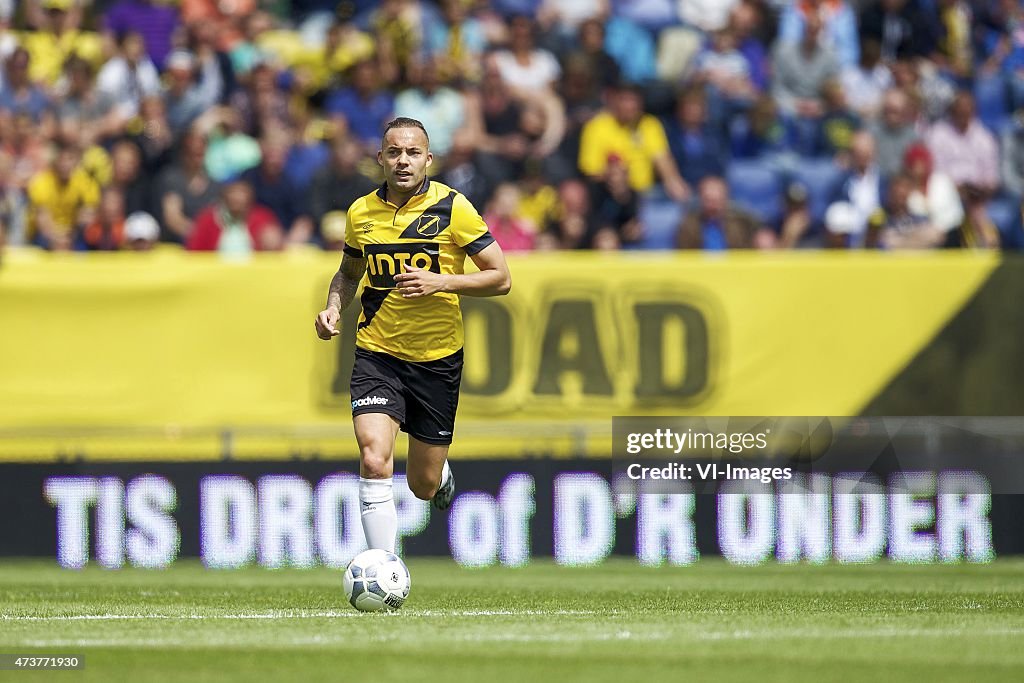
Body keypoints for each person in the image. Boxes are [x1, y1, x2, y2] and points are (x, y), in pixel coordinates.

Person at [313, 117, 511, 553]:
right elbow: (348, 274)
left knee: (422, 485)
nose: (403, 161)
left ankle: (438, 474)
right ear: (380, 158)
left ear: (428, 159)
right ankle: (383, 564)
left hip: (437, 359)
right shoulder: (360, 212)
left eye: (413, 153)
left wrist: (443, 282)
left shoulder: (453, 207)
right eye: (394, 153)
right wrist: (332, 308)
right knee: (373, 456)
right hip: (377, 353)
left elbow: (501, 278)